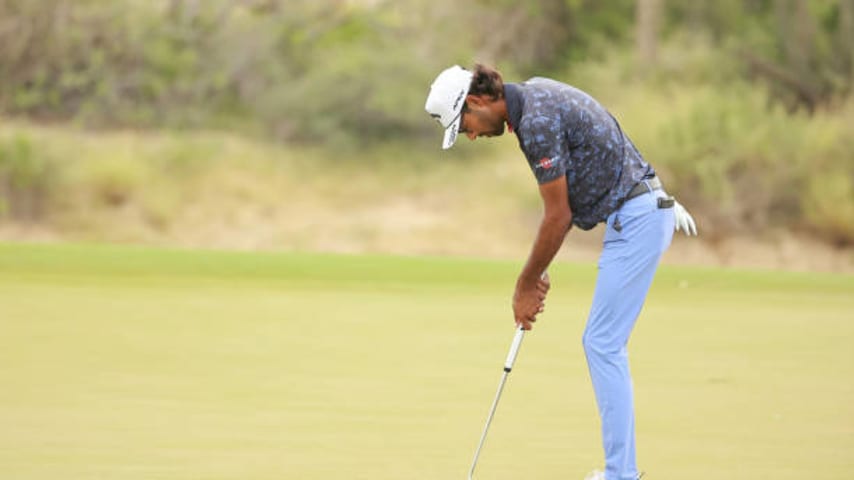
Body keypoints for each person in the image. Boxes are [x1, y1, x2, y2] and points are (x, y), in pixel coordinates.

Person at [424, 64, 697, 480]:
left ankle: (622, 474)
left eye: (466, 127)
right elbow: (585, 168)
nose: (474, 136)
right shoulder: (535, 96)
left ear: (478, 102)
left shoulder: (534, 121)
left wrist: (526, 283)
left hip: (637, 217)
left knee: (602, 343)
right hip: (639, 207)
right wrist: (540, 267)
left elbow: (558, 214)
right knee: (602, 341)